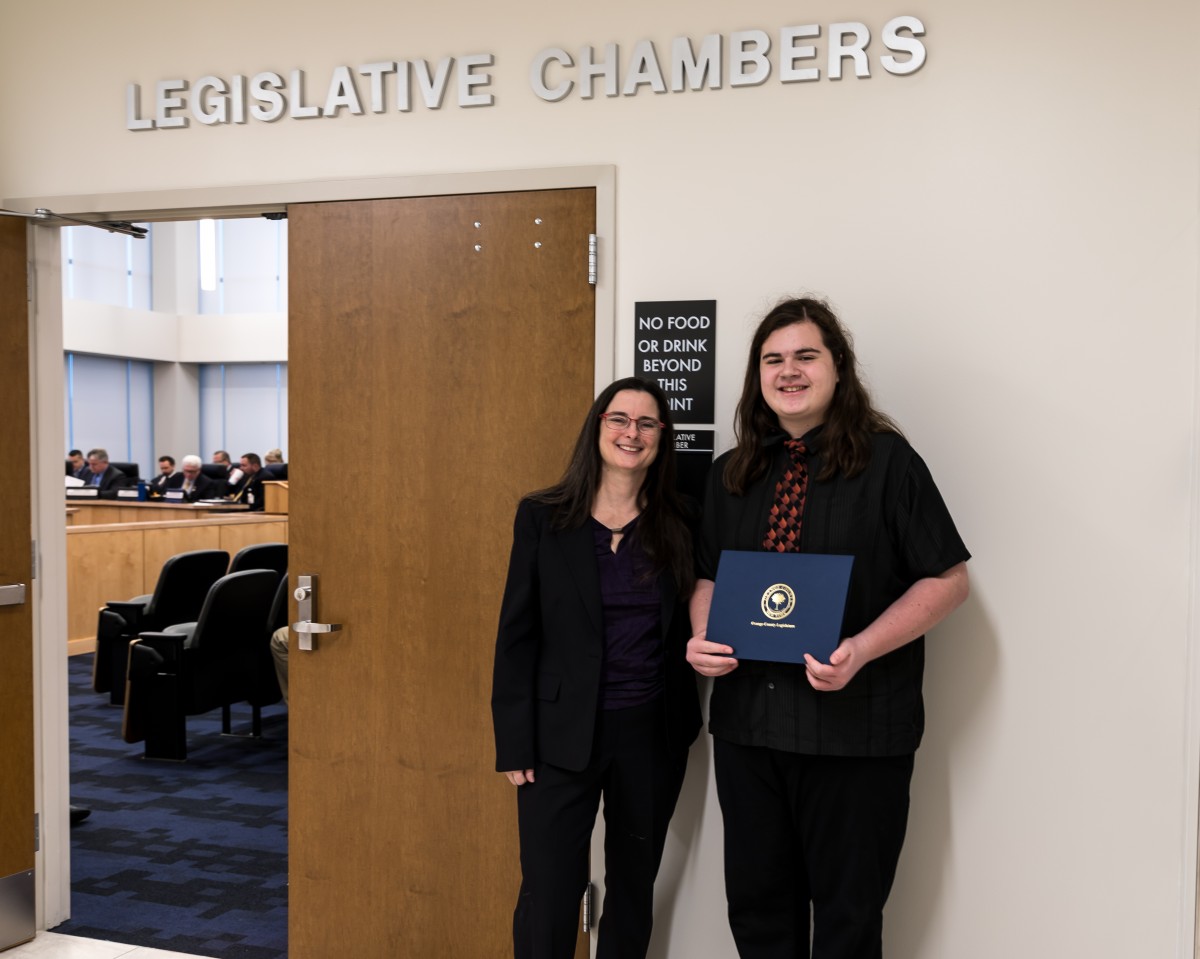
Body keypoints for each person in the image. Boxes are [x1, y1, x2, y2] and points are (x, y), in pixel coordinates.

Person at [686, 297, 971, 959]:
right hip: (750, 732)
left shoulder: (890, 464)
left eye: (805, 356)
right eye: (773, 359)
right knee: (758, 915)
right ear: (758, 375)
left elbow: (948, 579)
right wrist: (703, 634)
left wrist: (861, 649)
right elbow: (705, 576)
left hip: (856, 734)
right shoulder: (731, 473)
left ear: (838, 368)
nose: (790, 370)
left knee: (847, 923)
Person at [491, 377, 701, 959]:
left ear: (662, 437)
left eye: (647, 423)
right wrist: (514, 743)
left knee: (634, 887)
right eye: (619, 420)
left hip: (651, 733)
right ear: (598, 427)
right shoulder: (542, 516)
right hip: (556, 736)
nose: (631, 433)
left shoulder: (682, 519)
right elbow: (516, 634)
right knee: (549, 890)